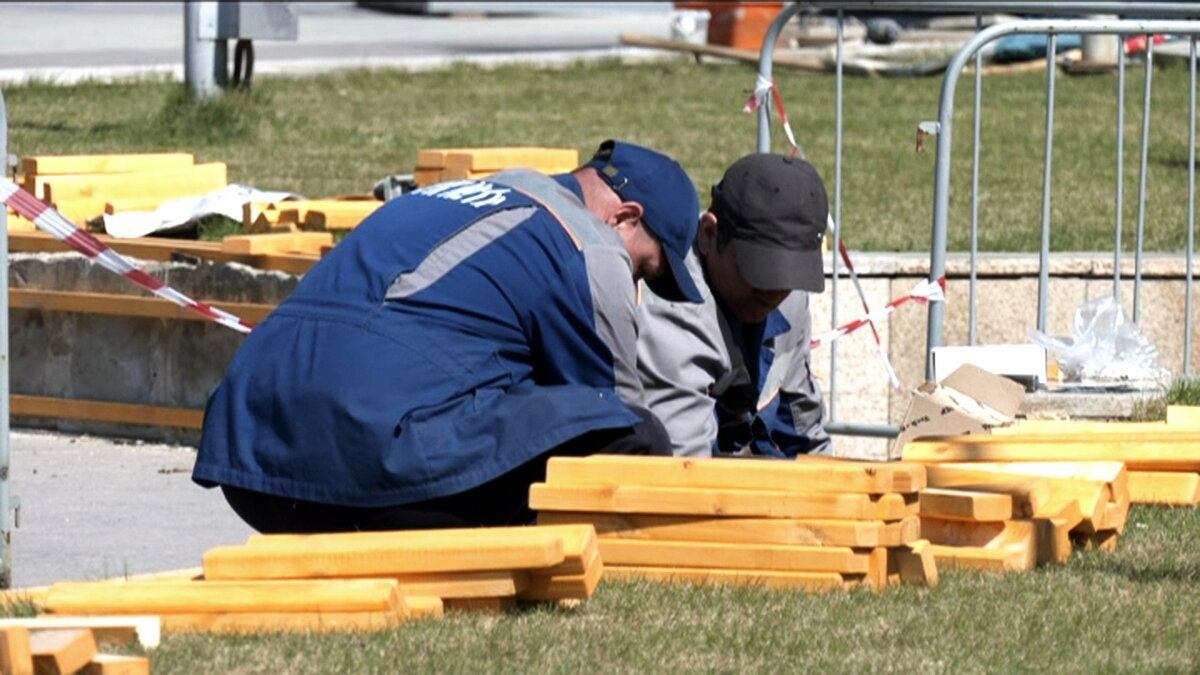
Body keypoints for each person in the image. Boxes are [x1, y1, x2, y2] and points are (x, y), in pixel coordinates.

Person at [193, 139, 703, 533]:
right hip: (362, 468)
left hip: (250, 461)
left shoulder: (450, 197)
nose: (636, 285)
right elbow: (615, 412)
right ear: (625, 218)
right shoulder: (588, 243)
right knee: (635, 436)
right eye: (646, 269)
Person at [637, 153, 831, 458]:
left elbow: (800, 436)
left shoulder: (790, 301)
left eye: (789, 273)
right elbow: (679, 475)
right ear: (709, 235)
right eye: (761, 271)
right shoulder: (672, 311)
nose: (774, 292)